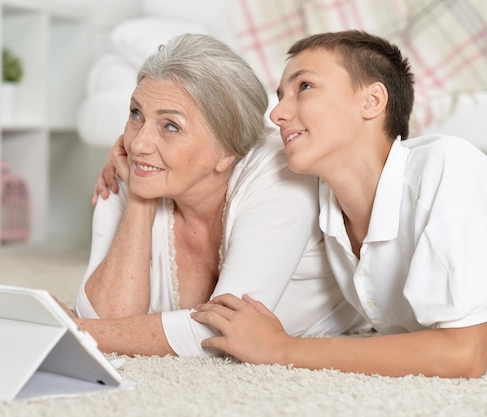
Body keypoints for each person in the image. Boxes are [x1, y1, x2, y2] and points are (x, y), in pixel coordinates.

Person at [191, 30, 487, 378]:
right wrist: (142, 168)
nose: (277, 114)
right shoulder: (323, 200)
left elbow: (463, 354)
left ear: (372, 101)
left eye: (304, 86)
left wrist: (282, 348)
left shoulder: (448, 165)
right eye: (280, 96)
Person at [68, 33, 366, 358]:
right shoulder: (132, 166)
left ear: (227, 151)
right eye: (136, 113)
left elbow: (226, 332)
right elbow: (105, 319)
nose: (139, 143)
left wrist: (74, 330)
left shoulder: (281, 173)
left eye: (170, 126)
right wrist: (140, 201)